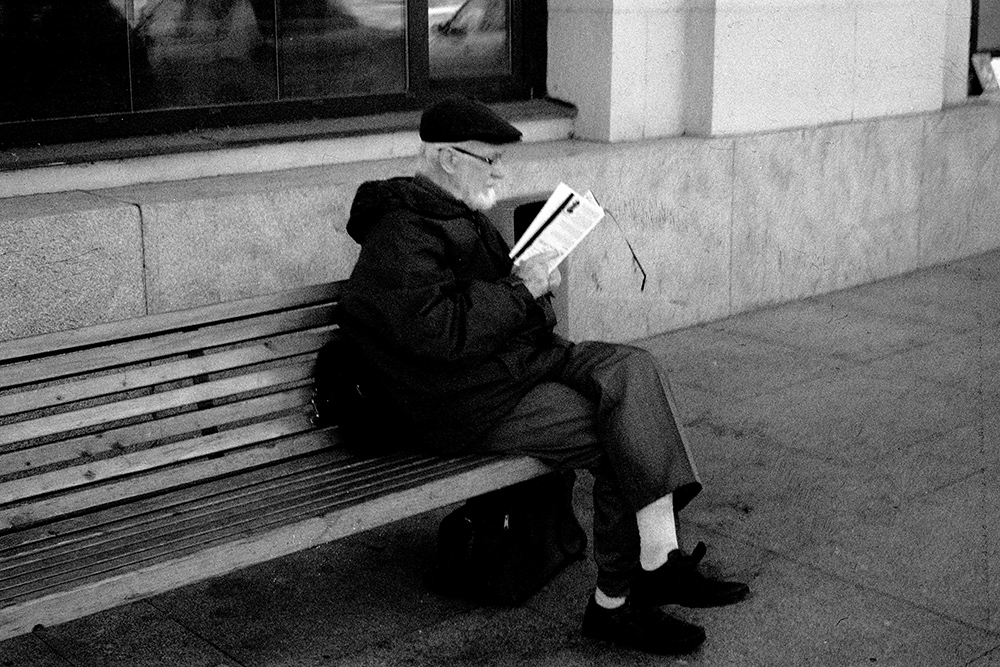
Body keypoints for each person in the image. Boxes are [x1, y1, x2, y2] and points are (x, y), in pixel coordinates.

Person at [338, 96, 749, 655]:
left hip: (514, 366)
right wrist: (522, 289)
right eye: (490, 160)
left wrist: (533, 283)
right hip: (465, 402)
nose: (500, 174)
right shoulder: (402, 233)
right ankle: (615, 605)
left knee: (634, 367)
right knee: (617, 434)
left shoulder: (454, 213)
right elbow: (443, 336)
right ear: (446, 158)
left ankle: (660, 559)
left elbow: (494, 307)